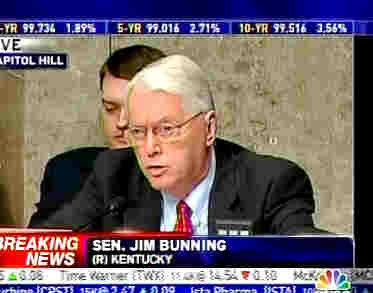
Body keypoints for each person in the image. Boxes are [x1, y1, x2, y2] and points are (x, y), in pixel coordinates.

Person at [33, 54, 329, 235]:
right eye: (138, 131)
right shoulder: (114, 174)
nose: (149, 148)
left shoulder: (268, 183)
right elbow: (40, 245)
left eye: (166, 129)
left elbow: (307, 250)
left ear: (209, 128)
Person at [28, 45, 167, 227]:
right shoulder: (68, 173)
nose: (120, 123)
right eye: (110, 108)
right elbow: (34, 248)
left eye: (133, 108)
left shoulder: (196, 173)